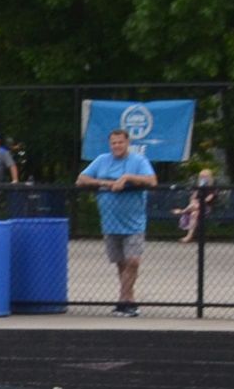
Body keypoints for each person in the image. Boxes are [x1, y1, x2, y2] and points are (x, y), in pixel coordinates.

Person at [79, 128, 157, 316]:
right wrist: (105, 183)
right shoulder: (102, 160)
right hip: (110, 222)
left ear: (127, 143)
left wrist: (127, 178)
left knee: (133, 260)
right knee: (121, 263)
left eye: (120, 142)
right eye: (113, 143)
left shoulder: (138, 161)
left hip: (134, 223)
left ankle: (123, 299)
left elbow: (152, 181)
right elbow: (81, 179)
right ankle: (130, 301)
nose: (117, 146)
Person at [176, 168, 218, 245]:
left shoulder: (213, 188)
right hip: (195, 209)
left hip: (206, 208)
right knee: (194, 214)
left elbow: (208, 200)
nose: (203, 179)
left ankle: (183, 211)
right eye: (201, 177)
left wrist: (198, 202)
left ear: (209, 178)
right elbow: (192, 198)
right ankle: (188, 237)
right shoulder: (199, 187)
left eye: (205, 177)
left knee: (197, 204)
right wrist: (198, 191)